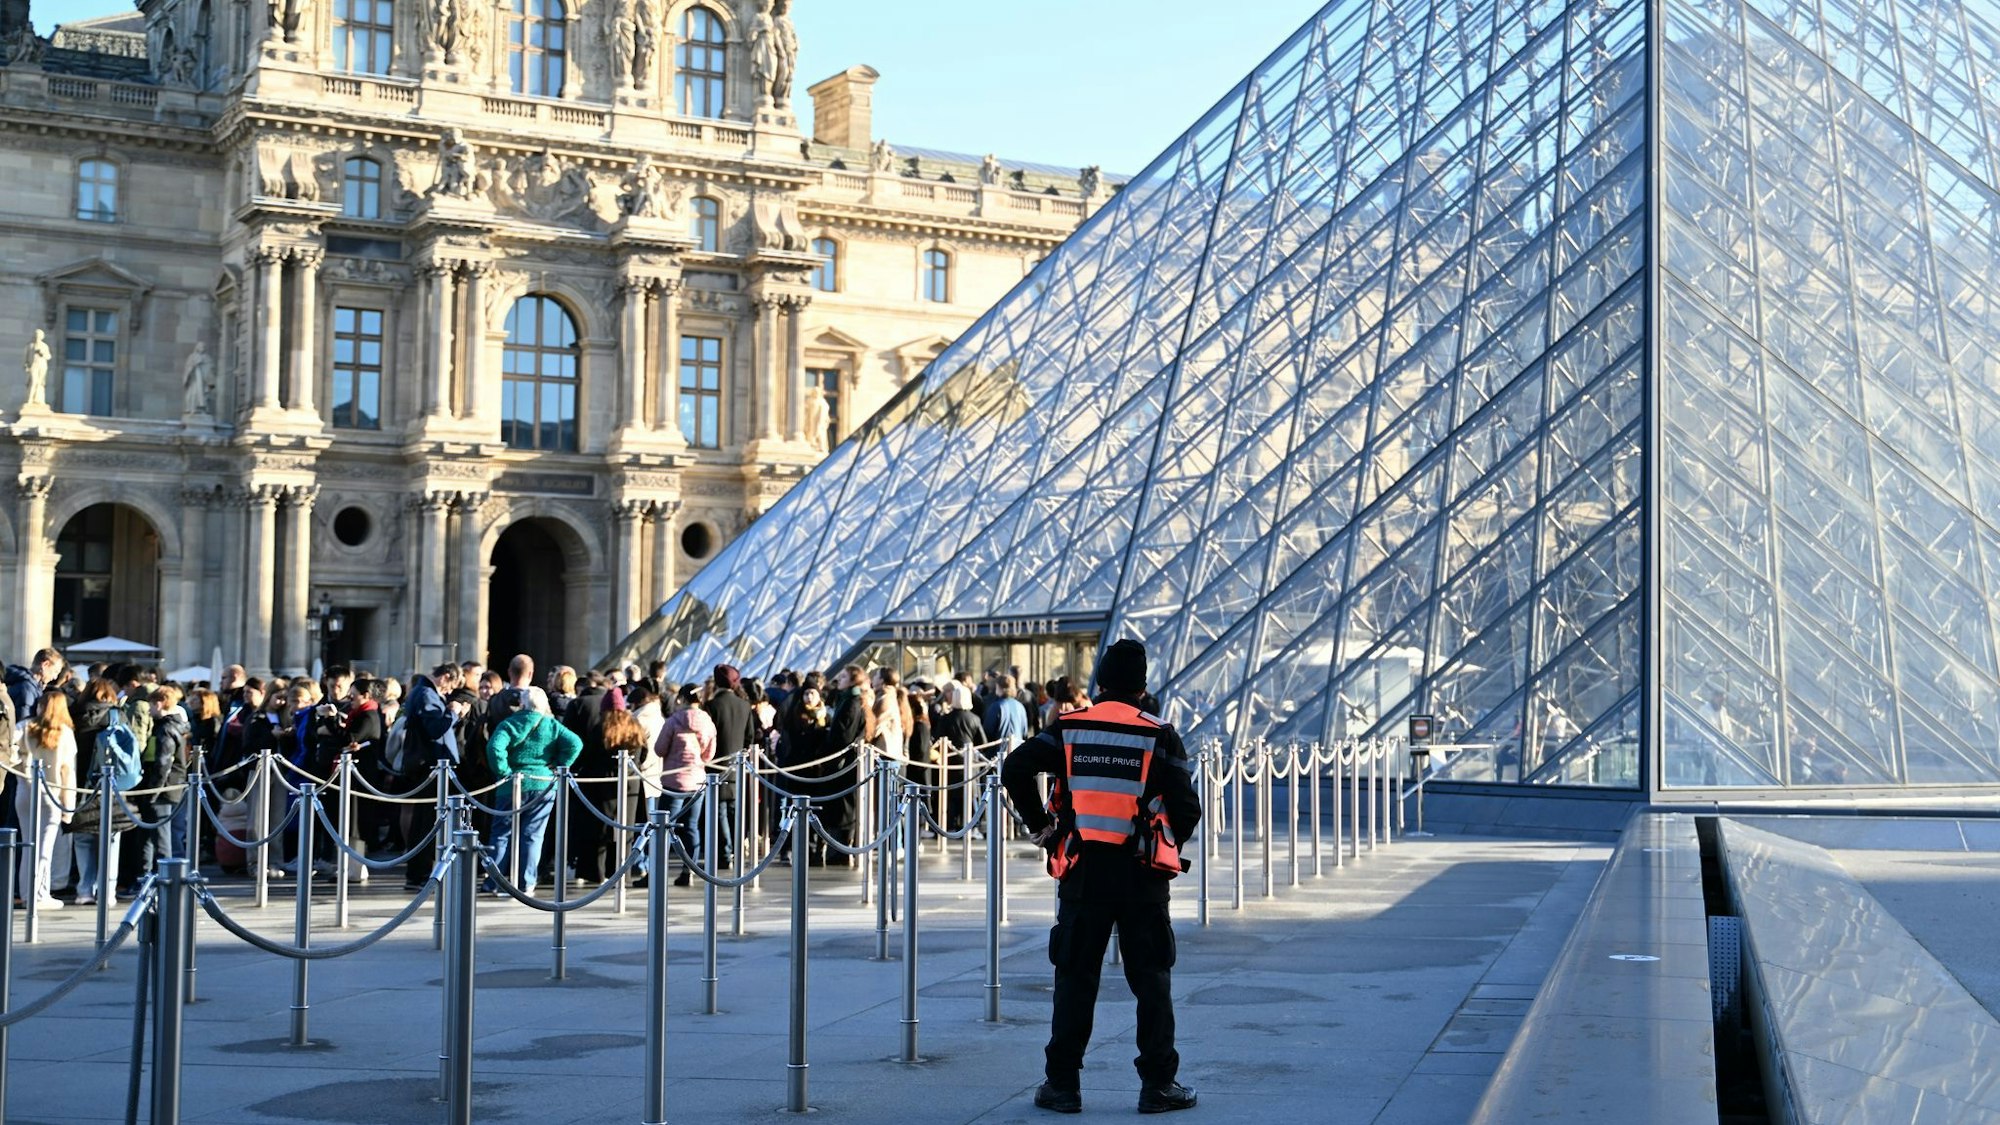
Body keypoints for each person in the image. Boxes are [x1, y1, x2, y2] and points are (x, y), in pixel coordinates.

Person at [1001, 639, 1200, 1115]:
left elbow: (1015, 768)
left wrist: (1045, 831)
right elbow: (1188, 809)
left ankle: (1062, 1085)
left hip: (1083, 873)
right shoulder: (1159, 733)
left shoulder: (1070, 728)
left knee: (1075, 978)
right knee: (1151, 981)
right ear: (1143, 687)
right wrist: (1162, 841)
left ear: (1101, 683)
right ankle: (1157, 1085)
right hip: (1141, 876)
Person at [482, 689, 581, 895]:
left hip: (510, 784)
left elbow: (494, 747)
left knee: (501, 833)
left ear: (523, 703)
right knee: (533, 835)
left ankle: (494, 882)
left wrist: (503, 771)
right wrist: (560, 764)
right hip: (543, 783)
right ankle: (526, 882)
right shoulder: (552, 725)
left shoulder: (509, 723)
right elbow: (575, 743)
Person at [400, 663, 465, 889]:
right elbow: (435, 728)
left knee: (425, 820)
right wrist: (453, 712)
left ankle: (419, 872)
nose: (448, 693)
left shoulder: (422, 691)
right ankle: (419, 873)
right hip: (428, 765)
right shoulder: (427, 694)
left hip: (429, 764)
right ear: (445, 677)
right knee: (425, 822)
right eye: (450, 687)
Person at [14, 691, 76, 909]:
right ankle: (40, 893)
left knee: (28, 844)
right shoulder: (65, 733)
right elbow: (68, 773)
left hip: (24, 790)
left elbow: (11, 754)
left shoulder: (25, 727)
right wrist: (68, 808)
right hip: (51, 793)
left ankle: (27, 893)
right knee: (44, 848)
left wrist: (22, 763)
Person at [653, 683, 715, 887]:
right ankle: (689, 869)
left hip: (674, 781)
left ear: (682, 699)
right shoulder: (707, 721)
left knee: (664, 826)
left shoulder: (673, 721)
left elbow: (660, 749)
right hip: (697, 780)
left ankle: (658, 868)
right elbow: (709, 755)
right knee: (691, 826)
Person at [704, 666, 755, 867]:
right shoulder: (744, 705)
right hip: (738, 764)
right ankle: (737, 848)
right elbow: (750, 736)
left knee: (720, 811)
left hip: (716, 763)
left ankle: (725, 853)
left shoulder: (711, 705)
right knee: (734, 809)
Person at [984, 674, 1029, 748]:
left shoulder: (996, 706)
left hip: (999, 752)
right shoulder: (1020, 706)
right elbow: (1024, 732)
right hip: (1017, 750)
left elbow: (988, 731)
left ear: (998, 687)